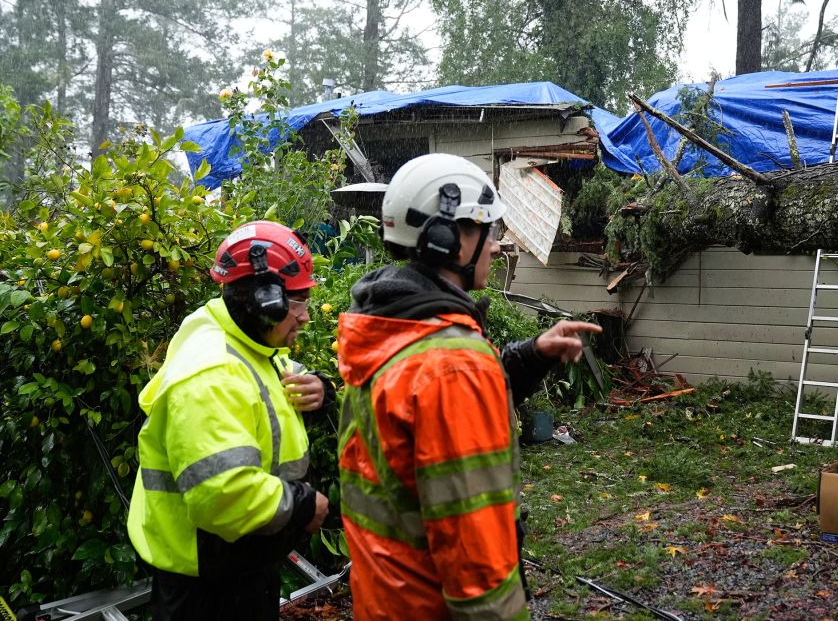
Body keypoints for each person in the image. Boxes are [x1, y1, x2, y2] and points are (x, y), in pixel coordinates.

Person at [337, 154, 601, 619]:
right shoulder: (453, 365)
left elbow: (434, 417)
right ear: (449, 239)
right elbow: (474, 555)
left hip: (387, 602)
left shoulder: (391, 329)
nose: (497, 246)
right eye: (488, 231)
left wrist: (531, 355)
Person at [127, 220, 331, 620]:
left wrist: (319, 388)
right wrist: (304, 505)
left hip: (237, 566)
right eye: (298, 302)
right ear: (265, 301)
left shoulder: (241, 337)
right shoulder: (210, 372)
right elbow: (222, 494)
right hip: (208, 586)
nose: (306, 317)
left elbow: (271, 372)